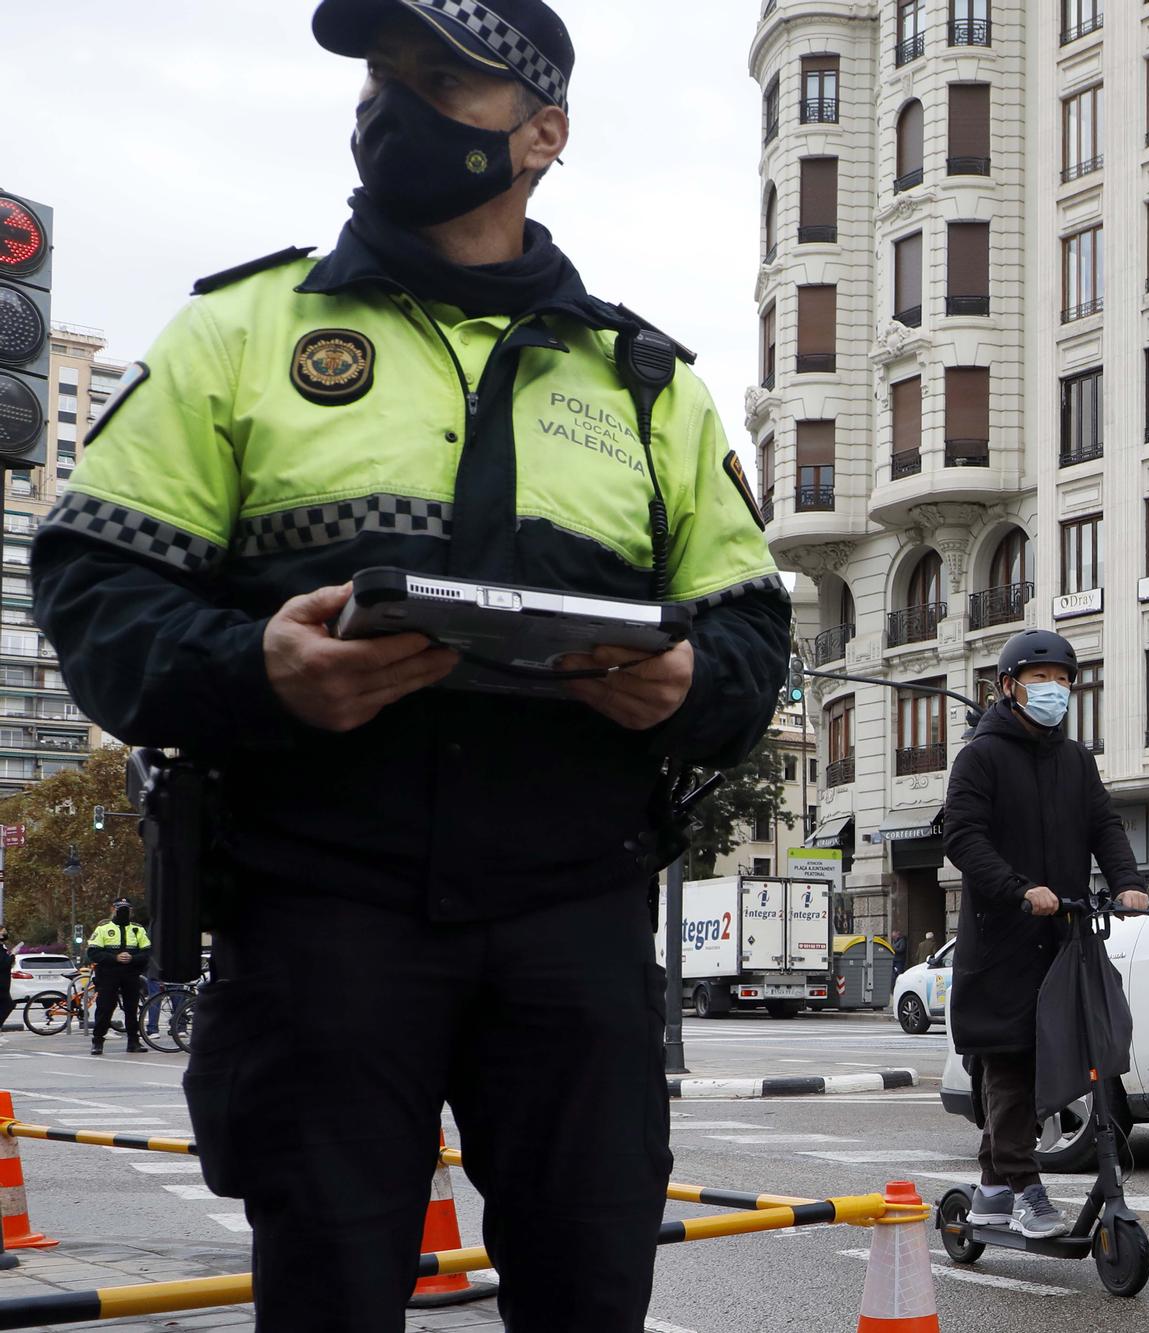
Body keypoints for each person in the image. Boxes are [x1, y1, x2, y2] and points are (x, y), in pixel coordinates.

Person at [30, 2, 786, 1327]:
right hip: (317, 914)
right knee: (324, 1292)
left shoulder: (649, 382)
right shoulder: (241, 332)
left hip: (575, 917)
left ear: (543, 131)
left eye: (447, 78)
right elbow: (94, 587)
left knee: (592, 1291)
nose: (397, 102)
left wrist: (689, 689)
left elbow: (749, 630)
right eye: (386, 75)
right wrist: (254, 668)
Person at [942, 629, 1149, 1240]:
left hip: (1065, 938)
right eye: (1041, 681)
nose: (1055, 691)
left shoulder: (1075, 760)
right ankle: (1025, 1188)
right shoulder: (981, 756)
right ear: (1009, 688)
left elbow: (1103, 826)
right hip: (1003, 938)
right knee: (1011, 1062)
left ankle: (991, 1189)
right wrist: (1016, 888)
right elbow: (963, 838)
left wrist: (1128, 881)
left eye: (1063, 681)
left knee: (1071, 1053)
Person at [86, 899, 150, 1056]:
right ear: (112, 909)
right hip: (108, 974)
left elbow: (148, 952)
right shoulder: (103, 929)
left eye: (126, 909)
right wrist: (115, 958)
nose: (123, 912)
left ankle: (133, 1042)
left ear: (131, 911)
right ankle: (98, 1042)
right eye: (120, 908)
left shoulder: (138, 930)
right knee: (105, 1007)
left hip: (130, 974)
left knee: (131, 1008)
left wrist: (133, 959)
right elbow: (93, 953)